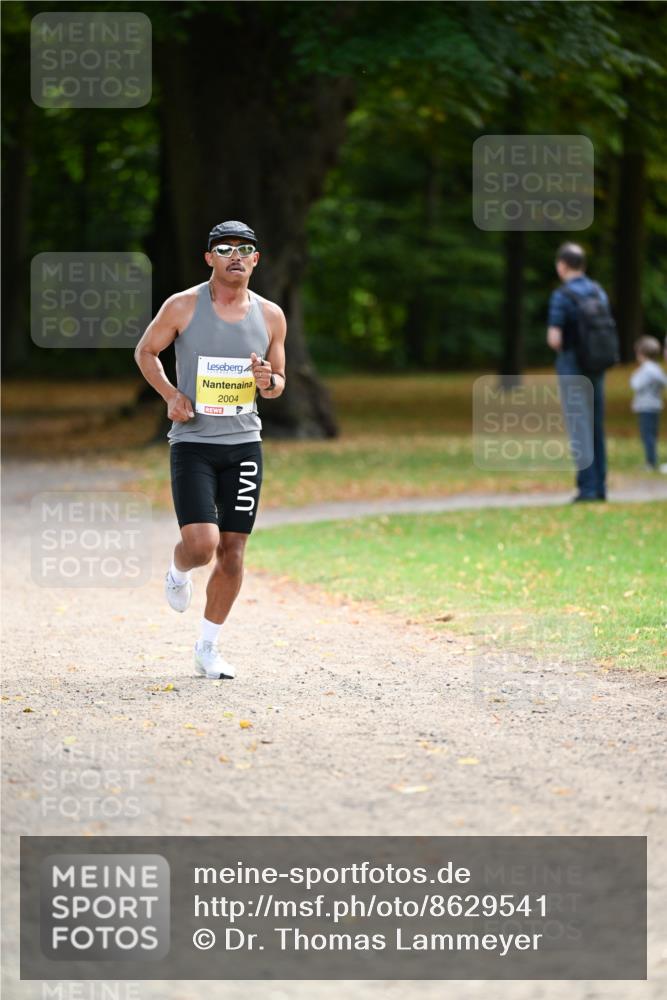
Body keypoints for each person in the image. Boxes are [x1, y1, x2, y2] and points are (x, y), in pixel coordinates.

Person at [134, 221, 286, 679]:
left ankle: (207, 648)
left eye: (245, 249)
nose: (235, 255)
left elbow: (278, 383)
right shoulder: (183, 305)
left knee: (234, 552)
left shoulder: (271, 315)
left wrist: (268, 382)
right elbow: (146, 352)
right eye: (225, 248)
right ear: (210, 258)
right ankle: (178, 570)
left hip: (244, 444)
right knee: (202, 546)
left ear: (256, 259)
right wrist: (170, 395)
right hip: (195, 443)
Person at [547, 243, 610, 502]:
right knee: (596, 424)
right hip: (597, 364)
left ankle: (587, 489)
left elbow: (554, 338)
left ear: (562, 265)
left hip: (572, 364)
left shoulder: (562, 295)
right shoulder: (598, 291)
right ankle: (600, 487)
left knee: (579, 425)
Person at [630, 336, 667, 471]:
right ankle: (652, 459)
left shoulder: (646, 370)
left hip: (645, 407)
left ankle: (650, 462)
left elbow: (635, 385)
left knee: (647, 435)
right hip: (656, 406)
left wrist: (635, 375)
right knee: (652, 434)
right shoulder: (657, 369)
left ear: (641, 354)